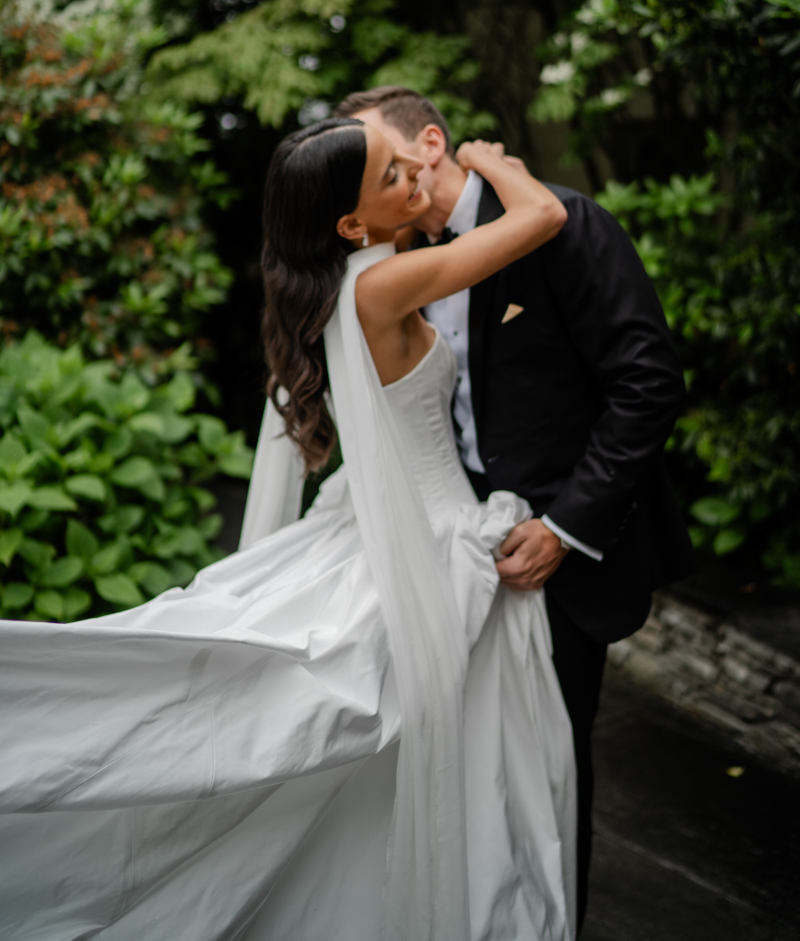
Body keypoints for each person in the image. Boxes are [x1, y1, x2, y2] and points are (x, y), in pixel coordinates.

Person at [0, 118, 578, 941]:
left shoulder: (344, 282)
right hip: (432, 538)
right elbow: (542, 218)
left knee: (385, 776)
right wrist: (490, 160)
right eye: (393, 173)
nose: (418, 164)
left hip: (399, 526)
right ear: (351, 223)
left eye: (408, 156)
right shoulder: (379, 287)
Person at [336, 86, 696, 930]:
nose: (369, 178)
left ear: (431, 143)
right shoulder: (390, 259)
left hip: (554, 559)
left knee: (553, 776)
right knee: (466, 771)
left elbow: (648, 386)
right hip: (454, 559)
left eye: (379, 158)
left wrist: (566, 527)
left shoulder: (562, 222)